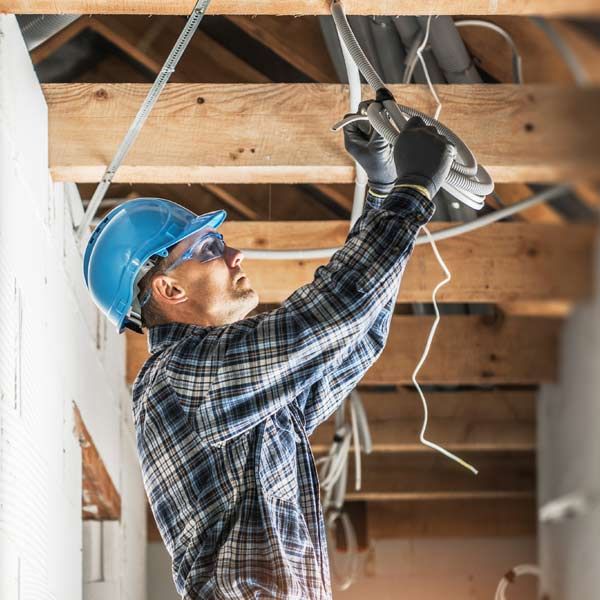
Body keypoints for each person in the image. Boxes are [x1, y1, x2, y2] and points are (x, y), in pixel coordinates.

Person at [83, 116, 455, 599]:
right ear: (169, 287)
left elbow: (354, 337)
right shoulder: (178, 379)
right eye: (210, 247)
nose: (234, 253)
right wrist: (410, 193)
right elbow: (331, 316)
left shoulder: (238, 394)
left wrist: (385, 195)